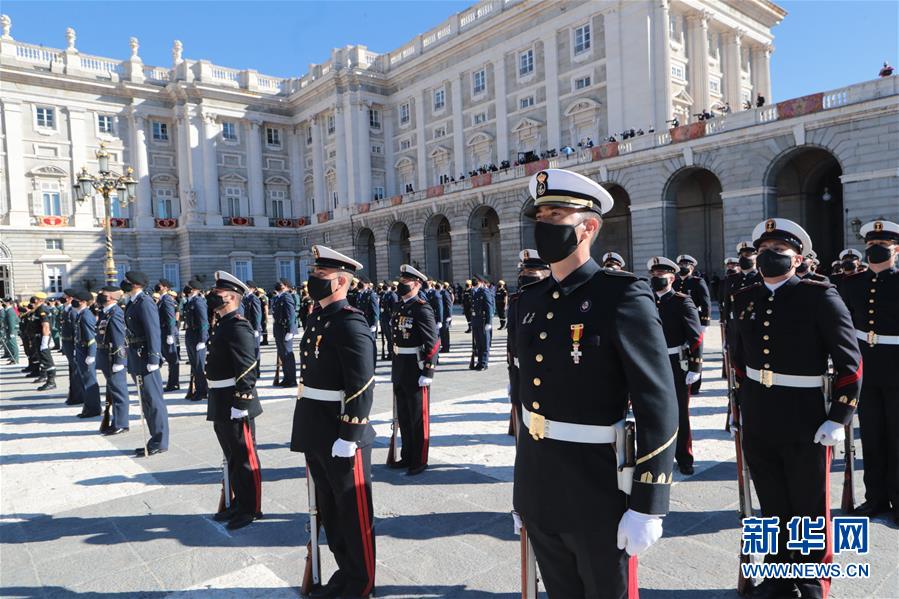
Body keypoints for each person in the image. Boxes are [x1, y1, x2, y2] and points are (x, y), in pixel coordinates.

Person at [512, 168, 678, 598]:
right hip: (540, 483)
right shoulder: (527, 301)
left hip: (598, 488)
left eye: (556, 215)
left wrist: (648, 504)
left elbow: (656, 403)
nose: (544, 224)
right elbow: (524, 400)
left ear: (588, 226)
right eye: (541, 214)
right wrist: (522, 489)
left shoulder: (621, 296)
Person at [730, 218, 862, 599]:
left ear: (798, 258)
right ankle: (776, 576)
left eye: (778, 253)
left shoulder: (820, 296)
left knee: (808, 506)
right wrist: (742, 405)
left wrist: (839, 416)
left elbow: (850, 363)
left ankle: (810, 581)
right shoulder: (745, 297)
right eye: (764, 252)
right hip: (759, 412)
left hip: (805, 416)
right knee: (770, 502)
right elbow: (738, 358)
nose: (769, 258)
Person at [290, 246, 376, 598]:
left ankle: (360, 584)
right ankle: (344, 575)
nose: (314, 281)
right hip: (316, 427)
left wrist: (350, 432)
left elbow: (362, 382)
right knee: (330, 512)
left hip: (340, 431)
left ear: (341, 281)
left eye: (321, 276)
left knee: (352, 516)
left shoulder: (350, 322)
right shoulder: (319, 317)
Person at [839, 220, 899, 524]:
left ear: (896, 249)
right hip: (867, 367)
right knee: (872, 436)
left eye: (883, 247)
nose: (876, 251)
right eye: (872, 246)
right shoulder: (853, 283)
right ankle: (874, 498)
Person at [206, 271, 264, 531]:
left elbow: (248, 368)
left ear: (230, 297)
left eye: (217, 293)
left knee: (243, 457)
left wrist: (241, 403)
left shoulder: (238, 325)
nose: (212, 296)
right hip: (221, 398)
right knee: (231, 455)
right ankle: (238, 503)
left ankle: (251, 508)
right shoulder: (223, 323)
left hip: (234, 401)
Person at [647, 257, 703, 475]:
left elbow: (695, 336)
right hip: (651, 362)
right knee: (652, 411)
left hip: (674, 362)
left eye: (661, 275)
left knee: (679, 413)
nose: (657, 279)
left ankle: (684, 457)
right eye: (654, 275)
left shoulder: (682, 301)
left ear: (672, 277)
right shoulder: (647, 300)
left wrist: (695, 367)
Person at [390, 264, 440, 475]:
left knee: (417, 418)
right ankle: (407, 455)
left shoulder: (422, 308)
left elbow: (433, 342)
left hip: (416, 367)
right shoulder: (399, 306)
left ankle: (419, 459)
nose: (401, 285)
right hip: (400, 365)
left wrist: (428, 371)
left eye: (405, 282)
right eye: (400, 282)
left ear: (417, 284)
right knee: (404, 415)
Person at [122, 271, 169, 457]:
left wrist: (154, 357)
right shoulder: (133, 302)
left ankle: (161, 440)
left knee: (154, 399)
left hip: (145, 357)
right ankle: (154, 438)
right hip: (136, 355)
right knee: (146, 401)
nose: (123, 283)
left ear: (135, 284)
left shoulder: (145, 302)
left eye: (127, 281)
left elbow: (153, 331)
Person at [506, 249, 550, 438]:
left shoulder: (554, 299)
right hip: (519, 370)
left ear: (547, 273)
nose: (525, 277)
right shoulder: (517, 300)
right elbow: (511, 340)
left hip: (548, 374)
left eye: (531, 273)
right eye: (524, 273)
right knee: (522, 431)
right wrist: (511, 374)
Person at [673, 254, 712, 393]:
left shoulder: (697, 281)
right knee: (681, 350)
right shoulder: (675, 282)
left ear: (692, 267)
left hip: (693, 321)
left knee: (695, 349)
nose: (683, 267)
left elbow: (705, 302)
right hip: (677, 322)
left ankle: (695, 384)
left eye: (686, 265)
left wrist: (705, 322)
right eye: (681, 265)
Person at [96, 286, 129, 435]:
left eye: (103, 295)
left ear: (111, 297)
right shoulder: (106, 312)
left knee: (119, 391)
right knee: (113, 390)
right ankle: (115, 421)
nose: (100, 296)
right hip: (105, 356)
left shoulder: (115, 313)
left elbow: (119, 339)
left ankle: (121, 423)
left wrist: (119, 361)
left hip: (113, 357)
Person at [72, 289, 101, 418]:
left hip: (86, 352)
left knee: (90, 381)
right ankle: (88, 407)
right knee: (85, 380)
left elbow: (91, 337)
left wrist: (91, 354)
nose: (74, 302)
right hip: (81, 350)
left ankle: (93, 408)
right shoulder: (81, 314)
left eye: (76, 300)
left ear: (83, 302)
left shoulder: (86, 315)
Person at [183, 280, 209, 402]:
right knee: (194, 366)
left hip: (197, 336)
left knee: (199, 366)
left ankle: (202, 391)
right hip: (191, 335)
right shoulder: (190, 301)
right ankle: (198, 390)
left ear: (194, 289)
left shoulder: (198, 302)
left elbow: (204, 322)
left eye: (189, 287)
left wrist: (203, 340)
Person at [272, 279, 298, 387]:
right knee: (283, 355)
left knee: (287, 355)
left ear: (286, 286)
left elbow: (291, 315)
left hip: (284, 329)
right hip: (279, 328)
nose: (278, 285)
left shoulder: (286, 296)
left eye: (281, 284)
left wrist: (290, 331)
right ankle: (286, 378)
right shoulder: (278, 297)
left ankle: (291, 380)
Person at [157, 279, 180, 392]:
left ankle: (174, 384)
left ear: (165, 287)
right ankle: (172, 383)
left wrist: (170, 334)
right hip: (163, 331)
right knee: (169, 359)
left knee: (172, 359)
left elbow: (171, 318)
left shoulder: (167, 300)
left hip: (167, 332)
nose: (158, 287)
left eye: (160, 286)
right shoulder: (162, 299)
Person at [469, 275, 495, 370]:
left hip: (483, 320)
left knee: (484, 343)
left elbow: (489, 307)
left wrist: (489, 322)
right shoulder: (473, 292)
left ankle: (484, 363)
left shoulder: (484, 291)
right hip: (475, 320)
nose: (474, 282)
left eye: (476, 281)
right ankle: (479, 362)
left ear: (480, 282)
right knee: (478, 343)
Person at [241, 280, 263, 377]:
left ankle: (256, 371)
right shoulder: (245, 298)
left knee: (255, 351)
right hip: (247, 327)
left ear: (252, 289)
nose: (246, 287)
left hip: (253, 328)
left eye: (247, 286)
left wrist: (256, 329)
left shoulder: (254, 298)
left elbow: (257, 315)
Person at [357, 277, 380, 367]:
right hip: (361, 323)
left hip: (369, 324)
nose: (359, 284)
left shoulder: (371, 295)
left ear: (366, 284)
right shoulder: (359, 294)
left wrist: (374, 324)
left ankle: (372, 365)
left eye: (361, 282)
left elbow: (375, 310)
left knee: (371, 345)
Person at [2, 297, 19, 364]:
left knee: (13, 345)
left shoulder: (10, 311)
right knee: (11, 344)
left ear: (7, 303)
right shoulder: (7, 310)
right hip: (8, 329)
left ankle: (15, 359)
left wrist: (12, 332)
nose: (3, 303)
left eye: (4, 302)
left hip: (11, 330)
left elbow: (11, 322)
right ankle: (13, 358)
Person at [439, 282, 454, 353]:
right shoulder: (440, 292)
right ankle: (444, 346)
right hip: (442, 316)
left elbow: (449, 305)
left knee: (445, 332)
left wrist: (449, 316)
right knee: (442, 332)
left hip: (445, 316)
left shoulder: (445, 293)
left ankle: (446, 347)